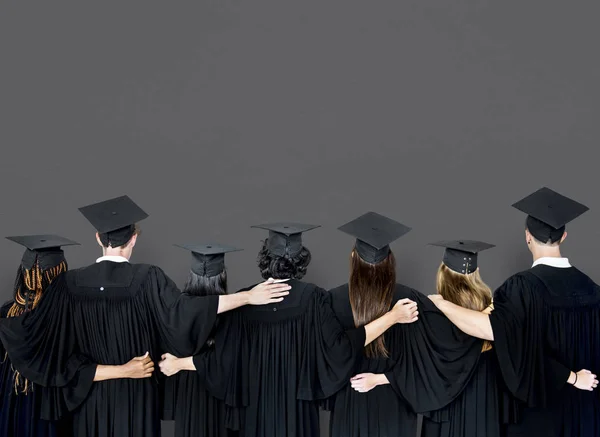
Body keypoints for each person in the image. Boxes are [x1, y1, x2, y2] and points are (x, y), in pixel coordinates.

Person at [0, 195, 291, 437]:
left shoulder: (68, 283)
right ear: (134, 238)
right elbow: (184, 313)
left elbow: (42, 339)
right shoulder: (148, 277)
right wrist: (247, 297)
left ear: (98, 237)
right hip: (137, 399)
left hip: (87, 401)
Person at [158, 221, 418, 437]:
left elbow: (223, 362)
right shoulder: (315, 299)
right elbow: (339, 351)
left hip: (253, 412)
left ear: (265, 258)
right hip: (298, 413)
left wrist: (181, 363)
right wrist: (391, 317)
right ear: (301, 259)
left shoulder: (243, 300)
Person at [428, 187, 600, 437]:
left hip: (539, 418)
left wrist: (442, 304)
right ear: (564, 237)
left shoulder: (522, 287)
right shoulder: (593, 290)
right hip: (587, 415)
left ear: (527, 237)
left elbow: (488, 329)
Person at [323, 214, 485, 437]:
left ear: (353, 256)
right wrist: (486, 317)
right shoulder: (410, 300)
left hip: (348, 400)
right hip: (395, 402)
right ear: (390, 259)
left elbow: (328, 357)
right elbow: (447, 345)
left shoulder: (331, 300)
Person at [162, 243, 243, 437]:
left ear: (192, 276)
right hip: (221, 398)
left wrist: (180, 364)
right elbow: (228, 362)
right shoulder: (234, 311)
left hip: (189, 394)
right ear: (222, 276)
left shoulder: (177, 310)